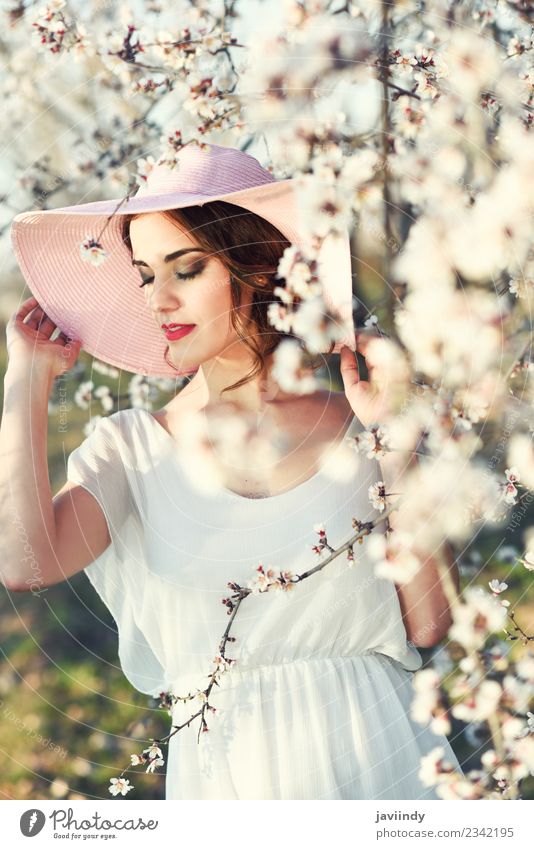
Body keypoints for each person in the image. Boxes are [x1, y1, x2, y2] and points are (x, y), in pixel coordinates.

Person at [1, 143, 462, 799]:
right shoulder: (131, 449)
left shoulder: (362, 423)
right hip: (229, 784)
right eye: (144, 274)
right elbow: (24, 562)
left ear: (253, 266)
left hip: (381, 759)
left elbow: (429, 622)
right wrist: (28, 379)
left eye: (185, 269)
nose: (158, 299)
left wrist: (397, 442)